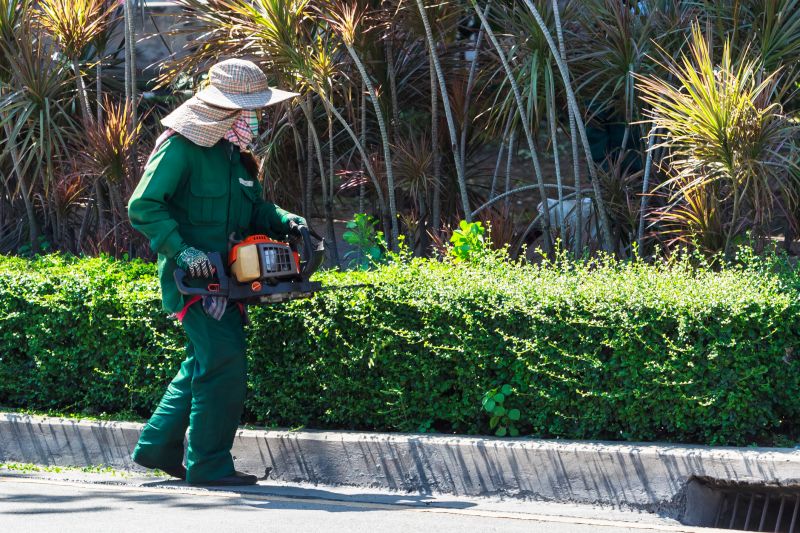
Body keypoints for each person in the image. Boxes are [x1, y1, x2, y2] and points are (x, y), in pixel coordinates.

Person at [127, 58, 304, 486]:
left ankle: (156, 447)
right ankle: (208, 464)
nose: (256, 118)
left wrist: (285, 219)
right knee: (224, 361)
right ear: (224, 110)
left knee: (203, 362)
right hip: (194, 280)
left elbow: (256, 209)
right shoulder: (180, 146)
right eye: (249, 110)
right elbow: (143, 206)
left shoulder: (234, 156)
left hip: (230, 280)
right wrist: (182, 251)